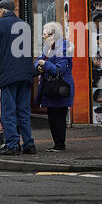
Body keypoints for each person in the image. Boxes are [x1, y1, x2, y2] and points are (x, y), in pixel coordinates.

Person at [0, 0, 35, 156]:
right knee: (23, 110)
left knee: (8, 111)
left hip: (8, 74)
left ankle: (12, 145)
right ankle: (29, 144)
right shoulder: (24, 24)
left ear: (3, 11)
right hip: (25, 74)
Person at [36, 21, 75, 151]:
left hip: (60, 88)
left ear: (53, 35)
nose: (43, 37)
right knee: (53, 118)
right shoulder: (49, 47)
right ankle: (57, 144)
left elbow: (60, 69)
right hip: (51, 89)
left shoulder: (62, 48)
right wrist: (39, 66)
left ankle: (60, 144)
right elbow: (38, 60)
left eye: (45, 34)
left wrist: (44, 64)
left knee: (58, 118)